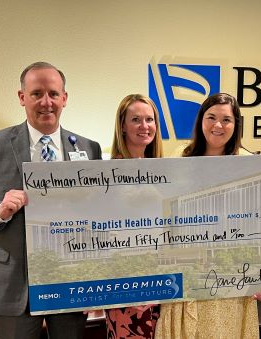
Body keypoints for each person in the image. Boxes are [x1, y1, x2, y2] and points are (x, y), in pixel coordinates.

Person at [0, 62, 102, 339]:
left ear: (64, 98)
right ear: (22, 97)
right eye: (36, 94)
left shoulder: (87, 147)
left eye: (53, 94)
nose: (46, 102)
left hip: (69, 280)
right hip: (14, 280)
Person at [155, 93, 261, 339]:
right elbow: (164, 217)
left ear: (236, 124)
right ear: (201, 120)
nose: (218, 125)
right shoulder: (180, 157)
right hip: (185, 273)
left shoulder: (250, 163)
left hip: (230, 279)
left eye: (226, 120)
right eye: (211, 117)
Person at [106, 94, 163, 339]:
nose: (144, 126)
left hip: (162, 279)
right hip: (125, 283)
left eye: (149, 119)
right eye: (136, 119)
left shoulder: (165, 169)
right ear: (123, 126)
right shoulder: (107, 174)